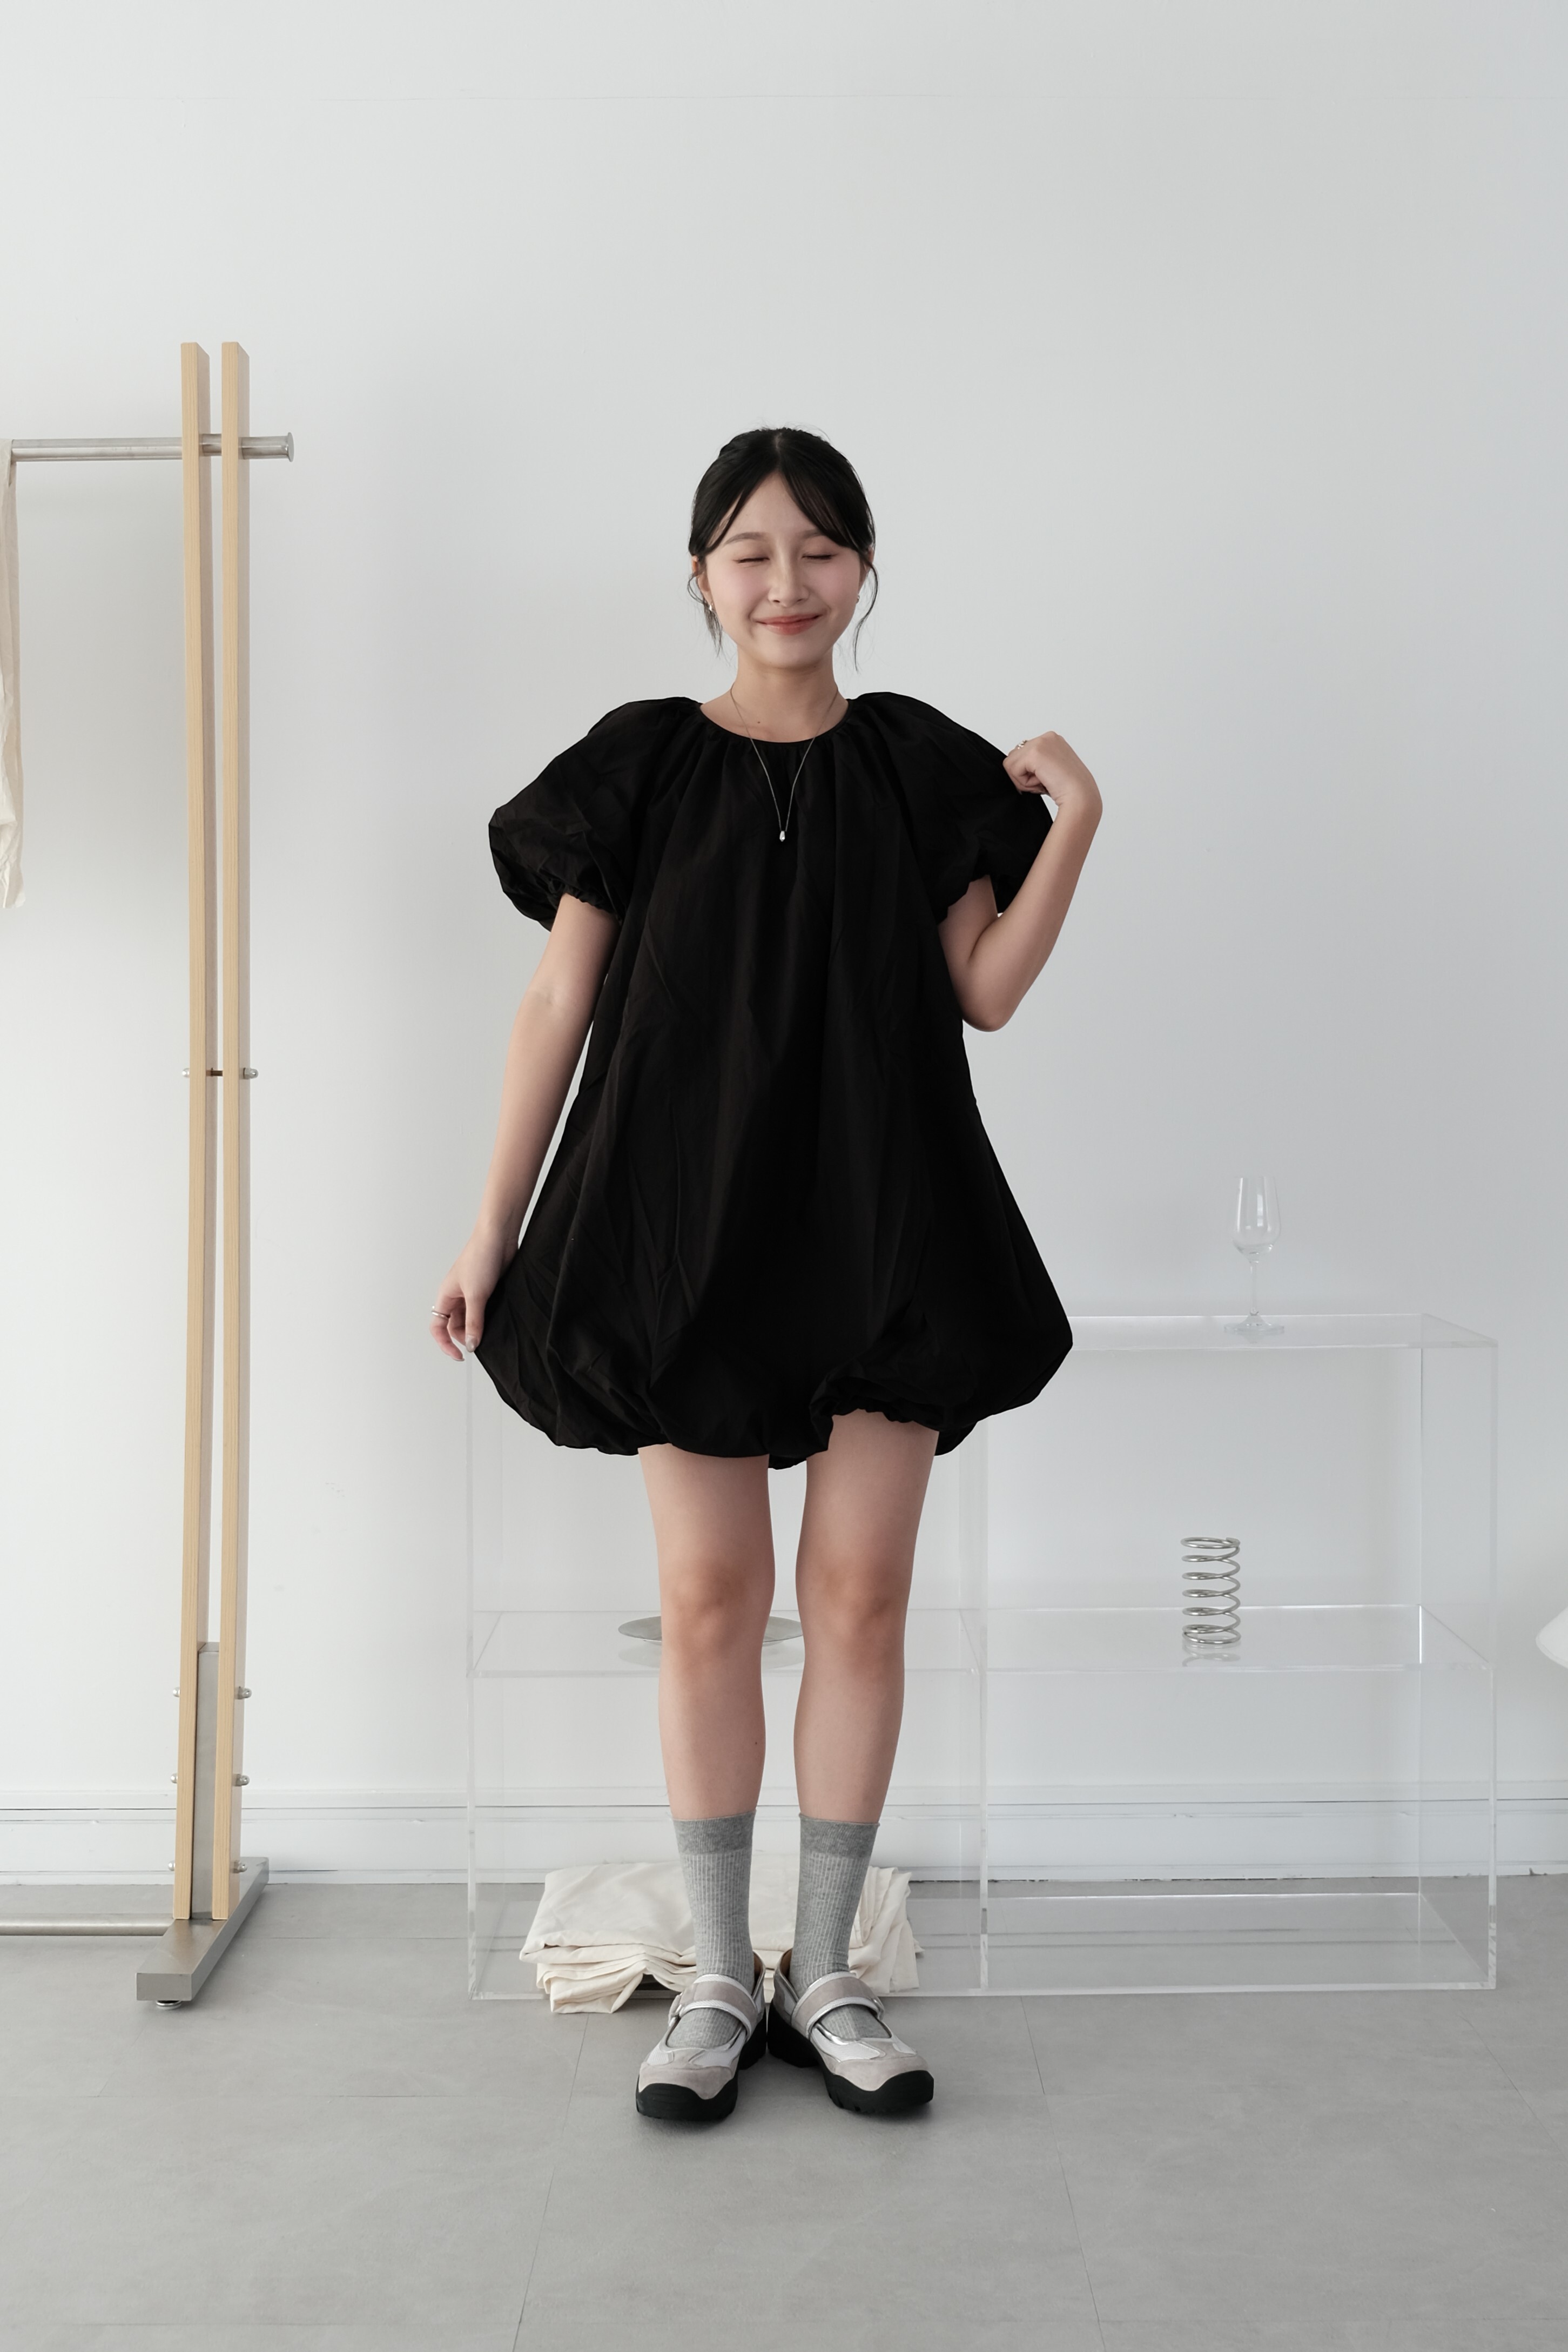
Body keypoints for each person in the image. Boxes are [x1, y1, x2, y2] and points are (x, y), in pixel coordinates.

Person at [430, 426, 1101, 2122]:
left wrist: (1077, 821)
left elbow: (985, 988)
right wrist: (491, 1225)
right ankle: (723, 1974)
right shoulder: (640, 764)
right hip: (683, 1229)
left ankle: (833, 1973)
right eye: (751, 551)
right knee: (715, 1601)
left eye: (819, 549)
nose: (786, 582)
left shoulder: (918, 764)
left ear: (863, 568)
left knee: (861, 1597)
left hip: (887, 1223)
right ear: (701, 575)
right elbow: (556, 1005)